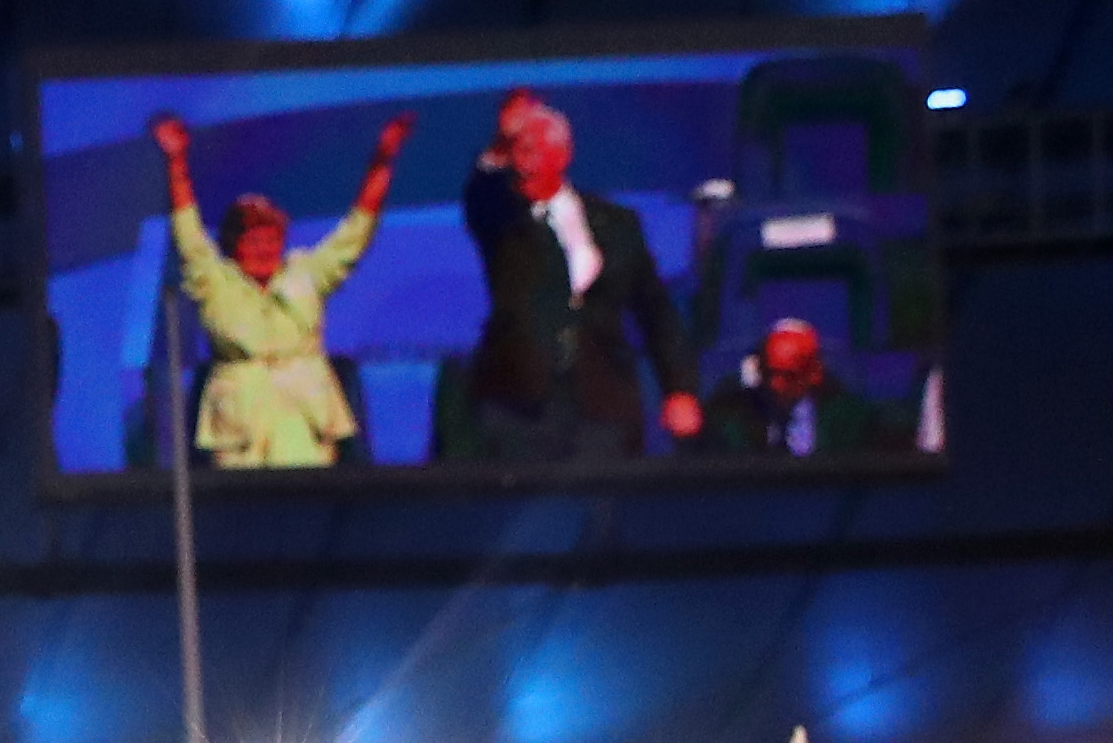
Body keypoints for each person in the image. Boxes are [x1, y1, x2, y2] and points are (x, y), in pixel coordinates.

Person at [150, 108, 410, 468]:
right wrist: (176, 161)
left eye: (272, 239)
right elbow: (189, 235)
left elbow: (355, 233)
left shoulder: (306, 273)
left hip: (303, 425)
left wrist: (382, 159)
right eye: (253, 240)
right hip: (241, 430)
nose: (264, 249)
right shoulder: (215, 282)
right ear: (233, 244)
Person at [454, 90, 704, 461]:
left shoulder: (616, 224)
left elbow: (655, 311)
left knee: (606, 509)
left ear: (563, 154)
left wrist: (678, 389)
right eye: (518, 147)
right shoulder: (503, 220)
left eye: (536, 144)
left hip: (602, 400)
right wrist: (500, 140)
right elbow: (481, 192)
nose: (525, 154)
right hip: (519, 404)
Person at [701, 315, 913, 460]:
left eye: (789, 375)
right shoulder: (733, 416)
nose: (776, 385)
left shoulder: (852, 420)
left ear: (814, 373)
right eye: (770, 373)